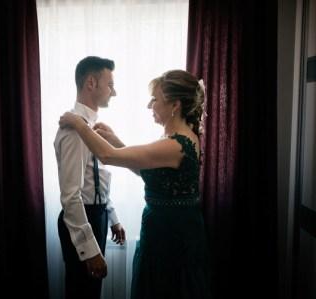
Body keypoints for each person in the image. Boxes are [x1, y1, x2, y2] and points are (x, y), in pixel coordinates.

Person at [59, 69, 213, 299]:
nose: (150, 105)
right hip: (168, 228)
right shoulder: (177, 140)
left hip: (170, 235)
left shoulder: (176, 145)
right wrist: (115, 139)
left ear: (175, 105)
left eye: (155, 99)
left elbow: (107, 156)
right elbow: (145, 169)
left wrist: (78, 123)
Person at [54, 56, 126, 299]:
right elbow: (71, 196)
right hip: (82, 218)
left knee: (92, 291)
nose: (114, 92)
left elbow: (97, 178)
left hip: (98, 214)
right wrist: (89, 249)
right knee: (82, 292)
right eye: (110, 85)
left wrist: (111, 215)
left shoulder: (94, 126)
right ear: (91, 83)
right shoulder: (74, 130)